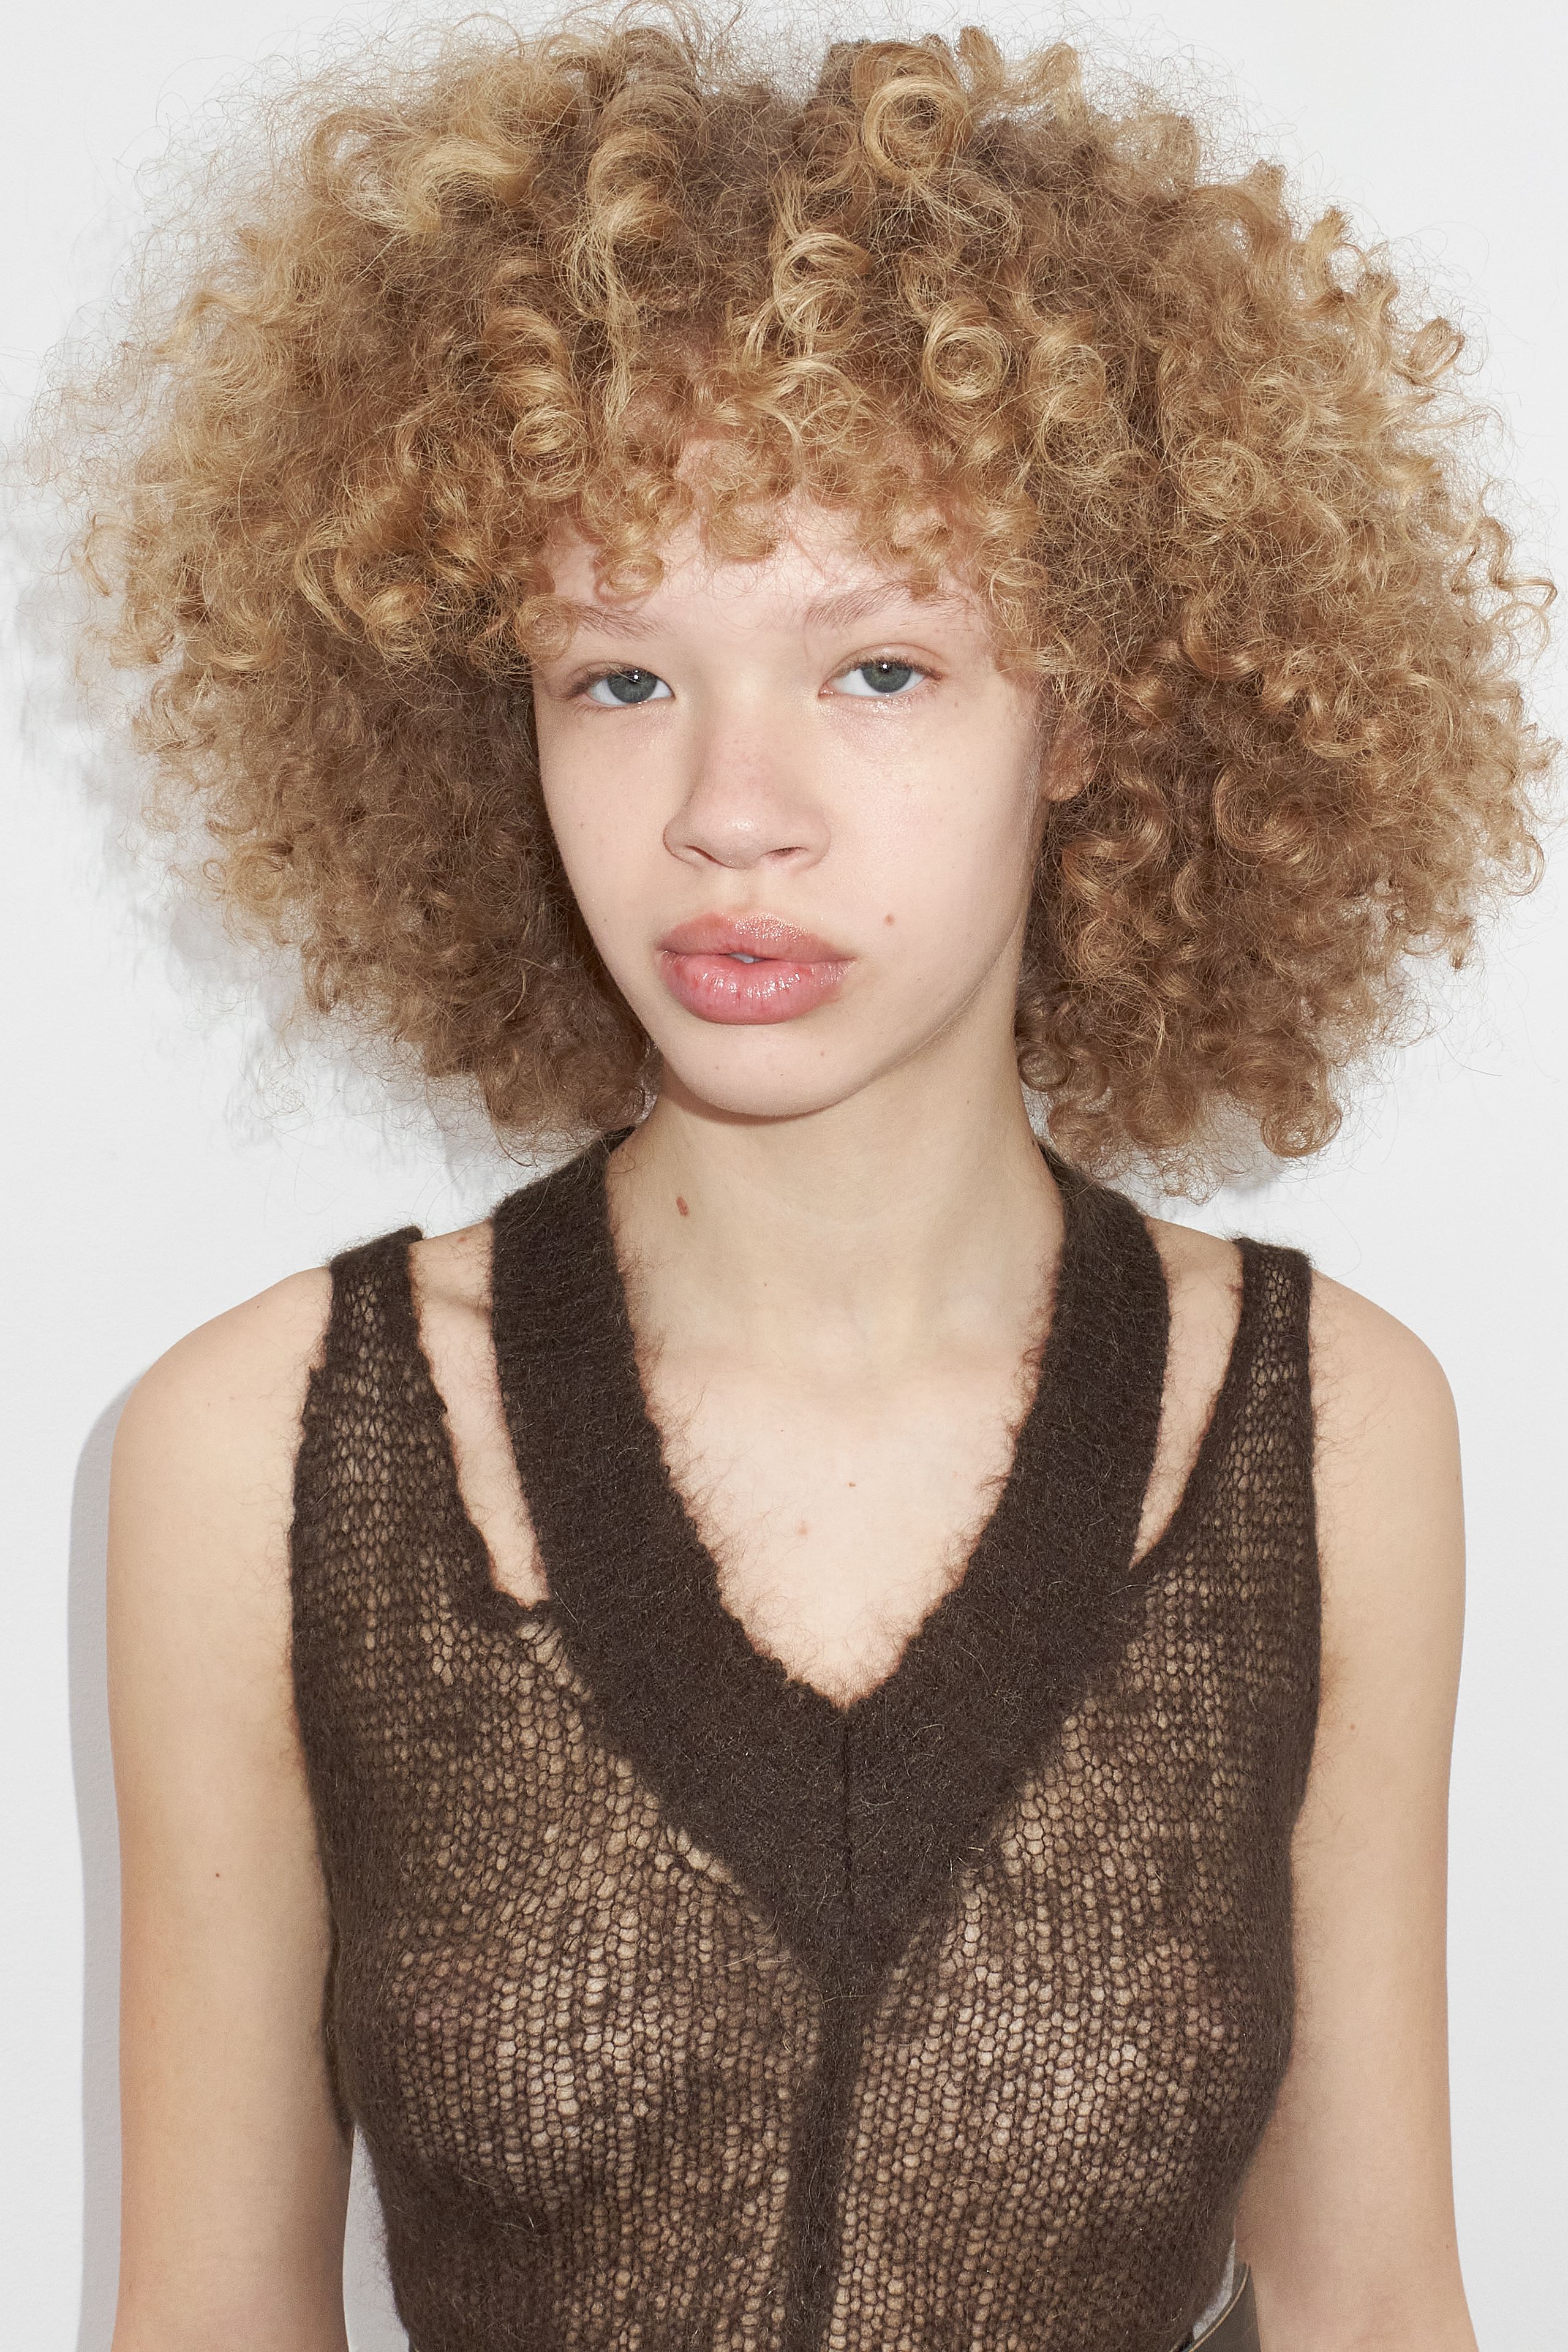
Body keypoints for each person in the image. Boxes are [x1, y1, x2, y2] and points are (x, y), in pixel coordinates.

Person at [78, 10, 1551, 2351]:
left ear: (1097, 711)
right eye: (620, 679)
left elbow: (1375, 2297)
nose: (727, 815)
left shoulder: (1325, 1433)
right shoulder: (259, 1453)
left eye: (877, 670)